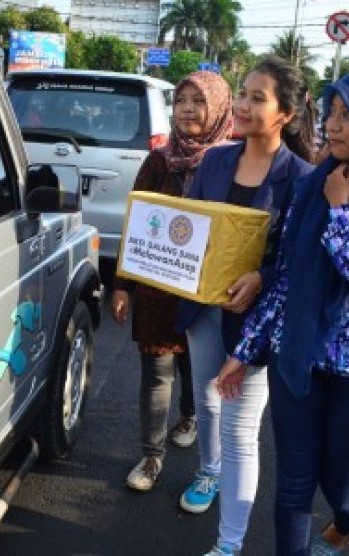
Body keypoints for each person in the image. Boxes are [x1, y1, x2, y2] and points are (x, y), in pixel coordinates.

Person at [217, 68, 349, 555]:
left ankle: (345, 523)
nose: (331, 126)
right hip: (299, 354)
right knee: (294, 481)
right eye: (331, 114)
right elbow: (288, 277)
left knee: (345, 489)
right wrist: (244, 350)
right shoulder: (312, 184)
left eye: (347, 116)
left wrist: (340, 209)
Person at [175, 56, 316, 556]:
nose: (242, 105)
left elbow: (303, 261)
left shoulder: (302, 178)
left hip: (254, 325)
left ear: (286, 114)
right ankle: (207, 472)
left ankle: (228, 545)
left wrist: (263, 277)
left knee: (240, 431)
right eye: (242, 94)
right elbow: (191, 227)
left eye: (258, 98)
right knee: (205, 401)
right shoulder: (215, 160)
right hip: (202, 311)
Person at [111, 70, 234, 493]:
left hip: (207, 294)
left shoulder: (231, 161)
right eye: (181, 100)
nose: (186, 109)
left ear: (218, 107)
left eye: (197, 101)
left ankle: (192, 417)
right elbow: (137, 221)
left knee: (199, 372)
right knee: (156, 372)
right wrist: (122, 284)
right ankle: (150, 456)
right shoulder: (158, 160)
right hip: (158, 290)